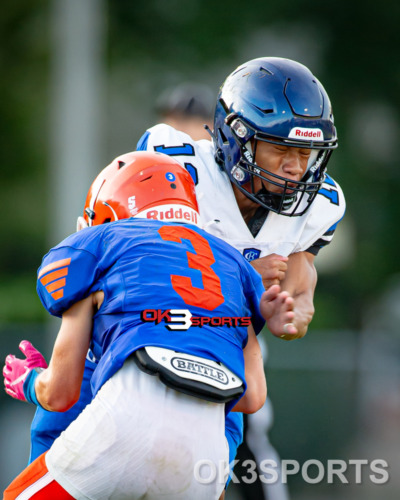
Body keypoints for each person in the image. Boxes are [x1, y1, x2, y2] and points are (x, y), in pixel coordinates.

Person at [3, 151, 298, 499]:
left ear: (108, 216)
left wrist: (30, 381)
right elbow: (252, 398)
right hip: (206, 460)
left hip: (123, 423)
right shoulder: (234, 267)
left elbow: (60, 393)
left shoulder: (100, 245)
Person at [136, 56, 346, 498]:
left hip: (231, 352)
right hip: (145, 341)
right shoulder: (178, 170)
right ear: (238, 141)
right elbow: (146, 270)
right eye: (282, 150)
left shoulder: (319, 203)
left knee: (243, 455)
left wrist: (296, 306)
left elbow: (301, 264)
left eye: (305, 153)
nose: (295, 167)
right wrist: (240, 272)